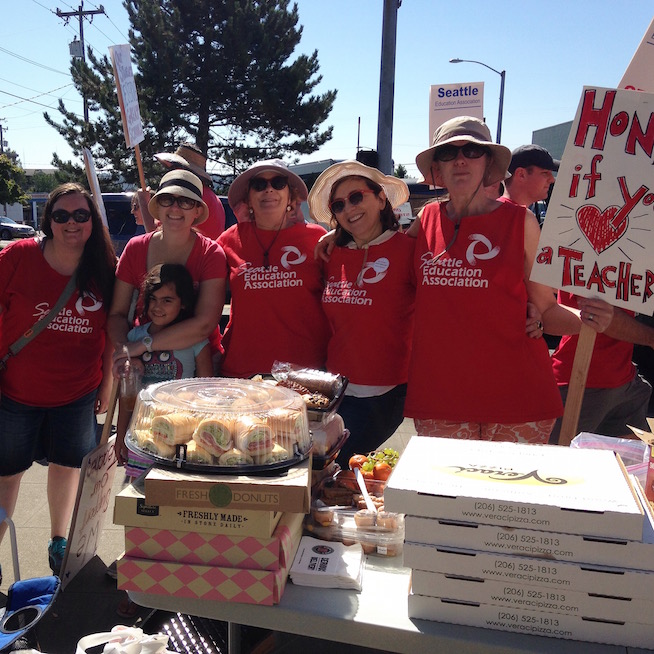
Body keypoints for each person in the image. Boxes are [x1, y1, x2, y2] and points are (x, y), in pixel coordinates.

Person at [404, 116, 612, 444]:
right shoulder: (426, 219)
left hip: (518, 395)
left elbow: (545, 310)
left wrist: (589, 320)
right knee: (448, 496)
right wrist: (334, 235)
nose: (460, 159)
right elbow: (381, 253)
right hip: (440, 397)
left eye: (472, 150)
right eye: (448, 153)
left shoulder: (522, 222)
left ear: (488, 164)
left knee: (505, 496)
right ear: (437, 170)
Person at [0, 182, 116, 578]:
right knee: (7, 473)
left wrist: (107, 386)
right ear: (47, 220)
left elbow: (112, 332)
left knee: (67, 466)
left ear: (92, 221)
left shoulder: (104, 268)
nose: (71, 223)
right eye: (61, 215)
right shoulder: (17, 256)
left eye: (81, 215)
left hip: (77, 392)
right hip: (16, 391)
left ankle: (58, 540)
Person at [307, 161, 415, 466]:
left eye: (357, 197)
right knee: (326, 472)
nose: (348, 208)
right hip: (336, 390)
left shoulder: (410, 250)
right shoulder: (332, 253)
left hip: (385, 394)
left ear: (381, 199)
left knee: (332, 464)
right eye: (338, 205)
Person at [108, 169, 227, 434]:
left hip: (199, 366)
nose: (175, 207)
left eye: (185, 201)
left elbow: (204, 325)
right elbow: (116, 314)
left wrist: (140, 345)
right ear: (156, 207)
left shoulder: (211, 253)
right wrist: (126, 354)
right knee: (142, 449)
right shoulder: (135, 248)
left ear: (197, 210)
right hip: (142, 370)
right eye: (167, 199)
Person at [217, 159, 330, 378]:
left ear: (290, 196)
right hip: (242, 372)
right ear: (248, 198)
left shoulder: (317, 238)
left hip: (303, 373)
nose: (269, 189)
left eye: (278, 183)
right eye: (259, 185)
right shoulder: (228, 240)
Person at [115, 263, 213, 474]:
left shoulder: (197, 341)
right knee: (139, 494)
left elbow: (207, 392)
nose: (157, 307)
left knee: (173, 490)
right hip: (141, 432)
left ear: (184, 303)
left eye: (167, 300)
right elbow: (127, 395)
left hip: (183, 433)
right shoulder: (133, 339)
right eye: (153, 299)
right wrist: (121, 433)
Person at [155, 142, 226, 239]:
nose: (172, 172)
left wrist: (143, 204)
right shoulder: (209, 195)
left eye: (174, 167)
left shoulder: (196, 196)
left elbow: (161, 238)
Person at [502, 144, 559, 220]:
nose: (552, 179)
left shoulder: (493, 210)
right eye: (545, 173)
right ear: (521, 174)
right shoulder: (523, 218)